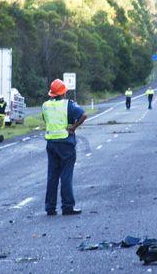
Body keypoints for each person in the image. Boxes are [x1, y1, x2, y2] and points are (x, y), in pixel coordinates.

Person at [42, 79, 87, 216]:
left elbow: (46, 120)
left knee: (52, 175)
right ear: (63, 93)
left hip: (51, 143)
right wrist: (73, 127)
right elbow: (83, 115)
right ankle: (67, 206)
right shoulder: (68, 105)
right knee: (66, 175)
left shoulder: (45, 105)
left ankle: (50, 207)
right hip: (65, 143)